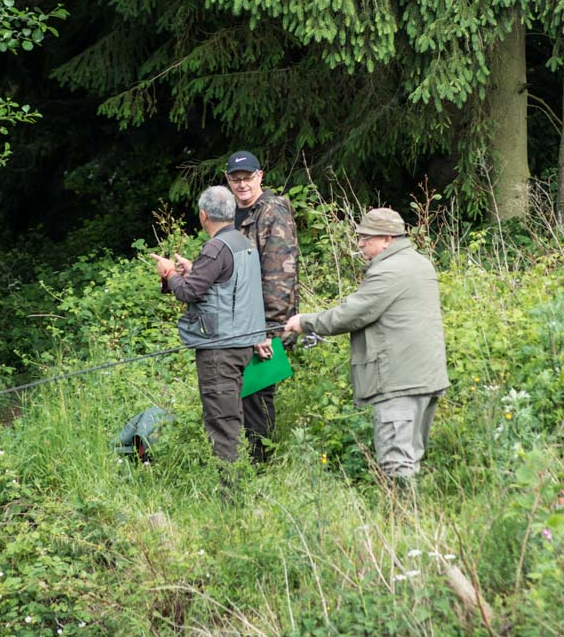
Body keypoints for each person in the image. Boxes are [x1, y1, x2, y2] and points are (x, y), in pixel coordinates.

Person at [285, 207, 449, 479]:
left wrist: (306, 322)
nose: (359, 243)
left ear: (387, 239)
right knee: (409, 457)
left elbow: (352, 313)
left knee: (396, 462)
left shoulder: (390, 270)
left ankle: (400, 520)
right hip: (423, 377)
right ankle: (411, 519)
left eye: (366, 237)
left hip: (399, 380)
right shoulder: (418, 263)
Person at [150, 186, 265, 463]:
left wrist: (168, 274)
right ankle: (245, 481)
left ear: (203, 216)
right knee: (234, 417)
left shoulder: (215, 247)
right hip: (243, 344)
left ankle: (232, 498)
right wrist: (193, 271)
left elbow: (189, 293)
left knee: (223, 423)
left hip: (220, 350)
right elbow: (231, 286)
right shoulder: (243, 242)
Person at [225, 150, 299, 462]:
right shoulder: (232, 213)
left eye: (248, 177)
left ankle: (261, 468)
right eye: (235, 178)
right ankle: (245, 461)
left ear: (260, 176)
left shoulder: (272, 212)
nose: (242, 184)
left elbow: (280, 277)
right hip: (239, 325)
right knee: (240, 396)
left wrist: (269, 330)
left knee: (258, 395)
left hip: (265, 328)